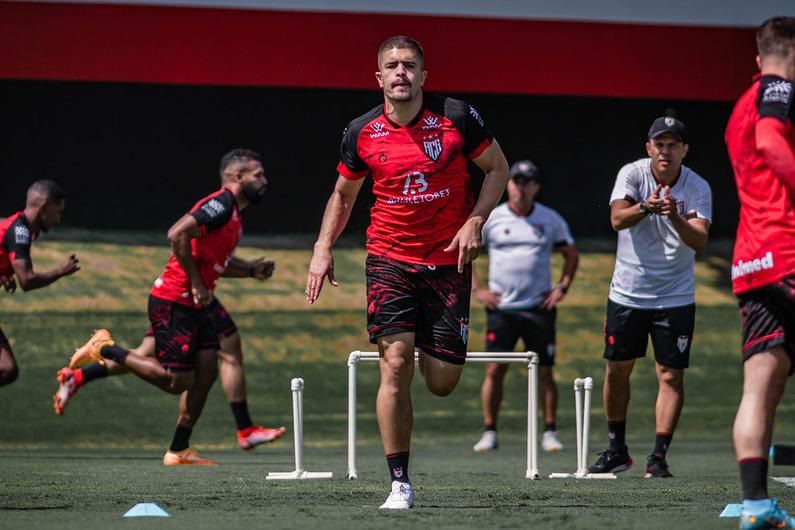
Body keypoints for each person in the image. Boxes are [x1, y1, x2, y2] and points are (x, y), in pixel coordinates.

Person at [305, 35, 509, 509]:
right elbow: (343, 195)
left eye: (409, 65)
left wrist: (476, 219)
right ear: (378, 77)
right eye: (392, 66)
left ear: (423, 75)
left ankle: (427, 341)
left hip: (447, 262)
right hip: (389, 259)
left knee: (441, 382)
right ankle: (399, 482)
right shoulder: (361, 131)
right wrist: (322, 247)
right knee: (395, 363)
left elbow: (497, 168)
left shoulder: (457, 117)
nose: (401, 72)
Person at [60, 148, 283, 464]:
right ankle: (106, 348)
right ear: (236, 176)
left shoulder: (233, 214)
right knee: (177, 381)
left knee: (207, 369)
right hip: (174, 300)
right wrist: (195, 283)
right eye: (257, 175)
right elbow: (176, 233)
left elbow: (214, 260)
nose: (265, 181)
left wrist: (249, 270)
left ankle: (179, 448)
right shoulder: (220, 204)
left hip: (194, 303)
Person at [588, 116, 712, 478]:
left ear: (684, 151)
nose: (666, 151)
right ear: (649, 148)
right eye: (660, 144)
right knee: (617, 369)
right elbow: (616, 219)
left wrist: (674, 215)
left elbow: (700, 240)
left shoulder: (697, 186)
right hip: (628, 292)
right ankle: (617, 449)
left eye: (674, 144)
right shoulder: (632, 174)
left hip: (675, 295)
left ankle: (658, 457)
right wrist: (646, 207)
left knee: (671, 376)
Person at [54, 288, 286, 463]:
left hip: (178, 294)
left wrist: (250, 269)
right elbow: (185, 240)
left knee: (146, 353)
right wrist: (248, 270)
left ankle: (79, 377)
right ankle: (242, 429)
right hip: (186, 296)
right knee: (214, 359)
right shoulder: (220, 222)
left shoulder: (221, 225)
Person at [725, 16, 795, 530]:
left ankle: (755, 505)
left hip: (752, 261)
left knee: (760, 384)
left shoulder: (740, 105)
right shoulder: (777, 90)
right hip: (788, 248)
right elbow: (772, 142)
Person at [471, 159, 578, 454]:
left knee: (545, 371)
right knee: (494, 370)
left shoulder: (549, 219)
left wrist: (562, 287)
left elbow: (571, 253)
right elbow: (467, 251)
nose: (521, 187)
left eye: (527, 182)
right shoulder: (493, 218)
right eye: (516, 181)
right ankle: (489, 431)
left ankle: (549, 431)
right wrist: (479, 290)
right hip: (502, 310)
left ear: (536, 187)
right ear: (508, 185)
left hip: (538, 308)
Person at [0, 180, 80, 387]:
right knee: (6, 368)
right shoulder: (20, 232)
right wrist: (61, 271)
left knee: (7, 369)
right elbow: (26, 280)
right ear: (44, 207)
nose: (58, 219)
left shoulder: (23, 229)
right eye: (57, 212)